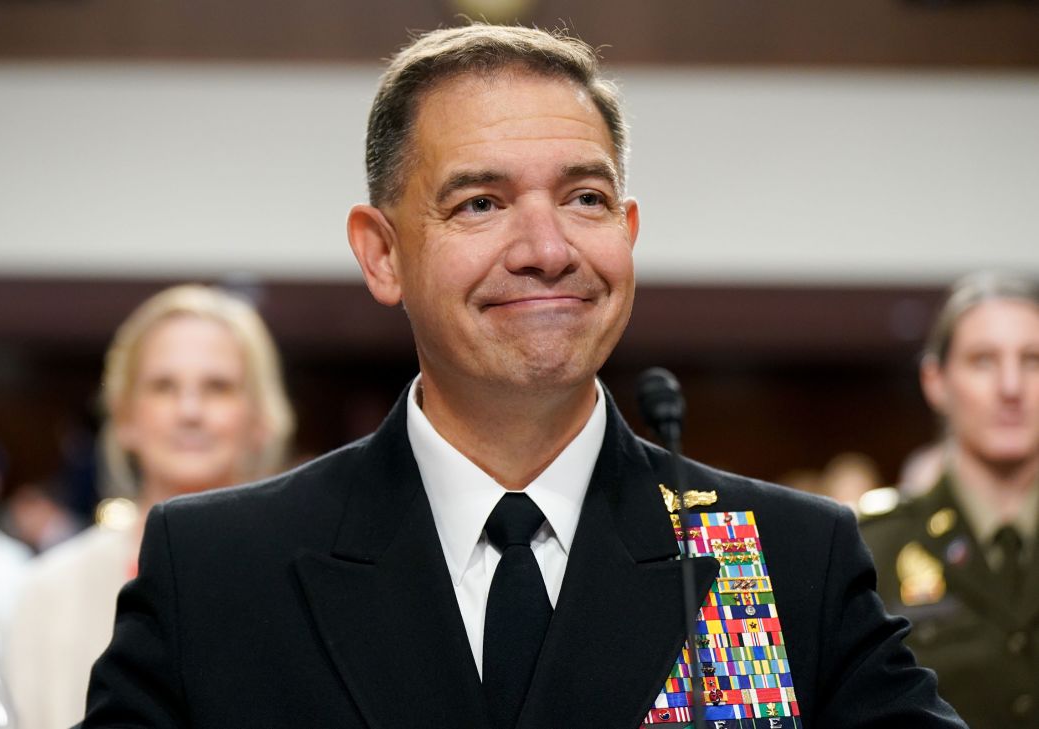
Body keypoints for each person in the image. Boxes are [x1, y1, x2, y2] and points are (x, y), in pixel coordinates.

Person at [82, 25, 964, 728]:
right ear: (381, 253)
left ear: (627, 230)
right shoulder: (222, 568)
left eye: (584, 199)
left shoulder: (773, 554)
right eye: (481, 203)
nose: (548, 251)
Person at [5, 284, 295, 729]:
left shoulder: (305, 577)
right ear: (124, 418)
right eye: (163, 387)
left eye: (218, 387)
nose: (189, 410)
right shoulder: (52, 590)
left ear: (260, 416)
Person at [861, 272, 1039, 728]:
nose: (1011, 388)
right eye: (983, 361)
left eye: (1033, 360)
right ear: (936, 381)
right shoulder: (873, 549)